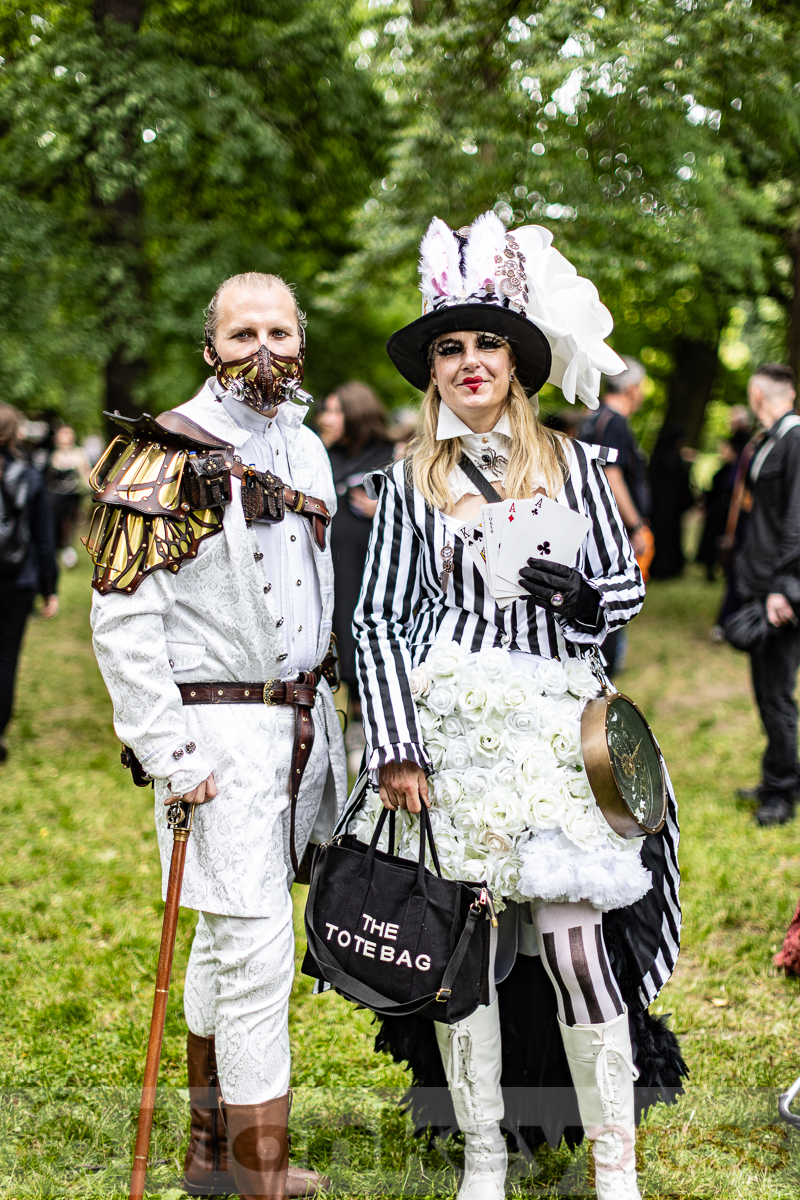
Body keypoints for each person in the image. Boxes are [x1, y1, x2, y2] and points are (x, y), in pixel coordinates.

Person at [351, 213, 684, 1200]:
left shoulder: (578, 468)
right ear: (432, 369)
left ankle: (615, 1170)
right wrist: (395, 749)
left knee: (578, 949)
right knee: (465, 958)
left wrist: (588, 601)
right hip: (447, 742)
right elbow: (373, 624)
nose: (466, 362)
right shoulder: (410, 485)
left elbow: (623, 587)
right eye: (448, 348)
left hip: (556, 739)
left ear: (517, 360)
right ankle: (485, 1163)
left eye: (485, 342)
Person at [87, 272, 347, 1199]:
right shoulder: (158, 452)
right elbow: (122, 622)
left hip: (300, 736)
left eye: (280, 330)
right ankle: (257, 1176)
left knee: (232, 938)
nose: (263, 350)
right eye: (243, 334)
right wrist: (170, 751)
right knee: (258, 951)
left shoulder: (310, 451)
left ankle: (208, 1155)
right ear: (211, 348)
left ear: (301, 345)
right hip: (213, 738)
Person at [732, 363, 800, 827]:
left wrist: (784, 587)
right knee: (766, 691)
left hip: (780, 593)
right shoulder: (771, 438)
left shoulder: (795, 440)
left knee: (776, 695)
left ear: (758, 394)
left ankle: (782, 793)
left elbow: (798, 518)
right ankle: (776, 773)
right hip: (757, 586)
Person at [316, 382, 393, 773]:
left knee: (365, 658)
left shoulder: (390, 459)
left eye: (335, 410)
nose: (325, 418)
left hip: (371, 578)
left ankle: (370, 739)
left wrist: (386, 504)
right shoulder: (320, 457)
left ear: (358, 413)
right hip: (330, 575)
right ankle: (334, 737)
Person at [579, 359, 653, 676]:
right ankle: (604, 672)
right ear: (632, 388)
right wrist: (635, 524)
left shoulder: (591, 417)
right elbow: (612, 474)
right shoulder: (614, 421)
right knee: (615, 595)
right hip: (613, 529)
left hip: (592, 527)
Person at [0, 404, 58, 762]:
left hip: (17, 579)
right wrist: (48, 588)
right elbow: (43, 538)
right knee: (6, 658)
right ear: (16, 432)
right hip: (17, 580)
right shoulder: (31, 475)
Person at [648, 425, 695, 580]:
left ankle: (668, 566)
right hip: (665, 505)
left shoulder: (664, 457)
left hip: (670, 506)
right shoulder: (668, 458)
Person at [47, 424, 91, 568]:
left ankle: (68, 552)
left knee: (68, 525)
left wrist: (92, 489)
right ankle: (58, 551)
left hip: (72, 496)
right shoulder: (53, 454)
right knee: (55, 524)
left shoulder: (79, 453)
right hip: (55, 496)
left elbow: (86, 473)